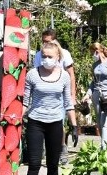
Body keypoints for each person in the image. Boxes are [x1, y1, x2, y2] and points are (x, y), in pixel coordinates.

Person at [23, 41, 78, 175]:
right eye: (44, 56)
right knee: (34, 163)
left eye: (50, 56)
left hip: (55, 122)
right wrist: (16, 120)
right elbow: (25, 101)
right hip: (35, 122)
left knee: (53, 164)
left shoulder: (64, 76)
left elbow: (68, 102)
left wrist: (74, 126)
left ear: (58, 57)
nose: (46, 59)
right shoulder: (32, 74)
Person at [33, 30, 77, 165]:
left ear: (55, 41)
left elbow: (71, 74)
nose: (45, 44)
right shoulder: (39, 55)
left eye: (48, 41)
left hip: (61, 93)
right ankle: (50, 149)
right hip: (44, 94)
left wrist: (72, 95)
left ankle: (62, 148)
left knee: (59, 122)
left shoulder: (64, 54)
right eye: (43, 41)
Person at [88, 42, 107, 148]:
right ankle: (104, 144)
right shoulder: (95, 65)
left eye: (92, 53)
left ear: (97, 51)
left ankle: (104, 149)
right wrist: (88, 94)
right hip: (97, 95)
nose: (92, 56)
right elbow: (93, 82)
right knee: (99, 123)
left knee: (105, 122)